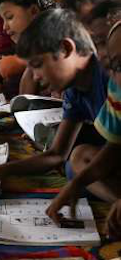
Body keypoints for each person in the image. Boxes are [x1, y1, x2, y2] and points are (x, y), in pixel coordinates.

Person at [0, 9, 109, 197]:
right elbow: (57, 154)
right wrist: (1, 170)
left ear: (66, 49)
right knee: (76, 161)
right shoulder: (74, 91)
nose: (35, 76)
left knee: (80, 164)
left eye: (38, 64)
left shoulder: (110, 75)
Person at [46, 20, 121, 224]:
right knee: (78, 162)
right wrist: (76, 184)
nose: (113, 75)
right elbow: (113, 148)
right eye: (115, 66)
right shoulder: (117, 88)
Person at [0, 0, 56, 97]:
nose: (4, 27)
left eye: (9, 17)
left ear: (34, 11)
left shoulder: (54, 41)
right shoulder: (34, 47)